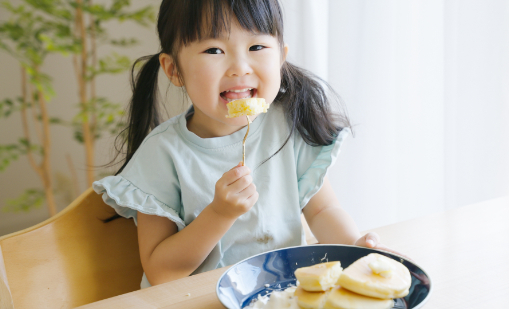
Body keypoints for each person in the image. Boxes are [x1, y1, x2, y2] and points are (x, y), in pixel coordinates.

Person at [93, 0, 403, 289]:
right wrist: (219, 214)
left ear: (280, 57)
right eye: (214, 50)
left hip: (282, 294)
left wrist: (354, 247)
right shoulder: (162, 154)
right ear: (174, 69)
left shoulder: (287, 126)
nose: (240, 67)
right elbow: (161, 272)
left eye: (256, 46)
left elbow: (323, 210)